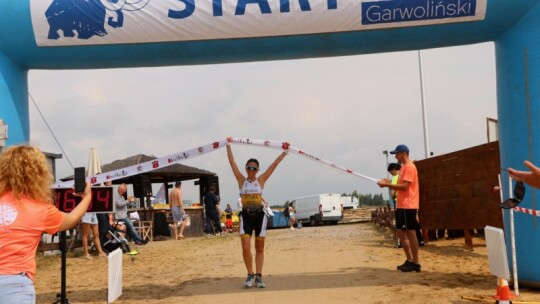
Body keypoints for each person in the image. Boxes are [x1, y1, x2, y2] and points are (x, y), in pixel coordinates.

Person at [0, 145, 93, 303]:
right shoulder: (40, 210)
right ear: (39, 174)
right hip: (16, 286)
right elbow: (71, 219)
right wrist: (87, 197)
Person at [226, 136, 289, 288]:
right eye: (249, 168)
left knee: (259, 248)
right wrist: (228, 145)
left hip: (260, 216)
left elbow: (274, 165)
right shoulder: (241, 180)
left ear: (257, 170)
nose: (251, 170)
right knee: (246, 247)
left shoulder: (261, 180)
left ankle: (259, 276)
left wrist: (285, 152)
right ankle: (250, 275)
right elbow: (232, 163)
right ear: (246, 169)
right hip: (246, 216)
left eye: (254, 168)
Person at [377, 144, 421, 272]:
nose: (395, 156)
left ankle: (415, 262)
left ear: (403, 153)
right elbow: (400, 185)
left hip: (408, 205)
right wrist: (387, 183)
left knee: (411, 232)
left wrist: (387, 185)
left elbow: (405, 186)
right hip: (402, 205)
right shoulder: (403, 169)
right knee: (401, 232)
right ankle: (409, 260)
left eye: (396, 154)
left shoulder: (409, 167)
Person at [387, 162, 402, 248]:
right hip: (407, 202)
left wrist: (393, 196)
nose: (391, 174)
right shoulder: (403, 175)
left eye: (391, 172)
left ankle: (400, 242)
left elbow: (392, 193)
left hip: (398, 201)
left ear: (393, 169)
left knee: (399, 223)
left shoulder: (395, 177)